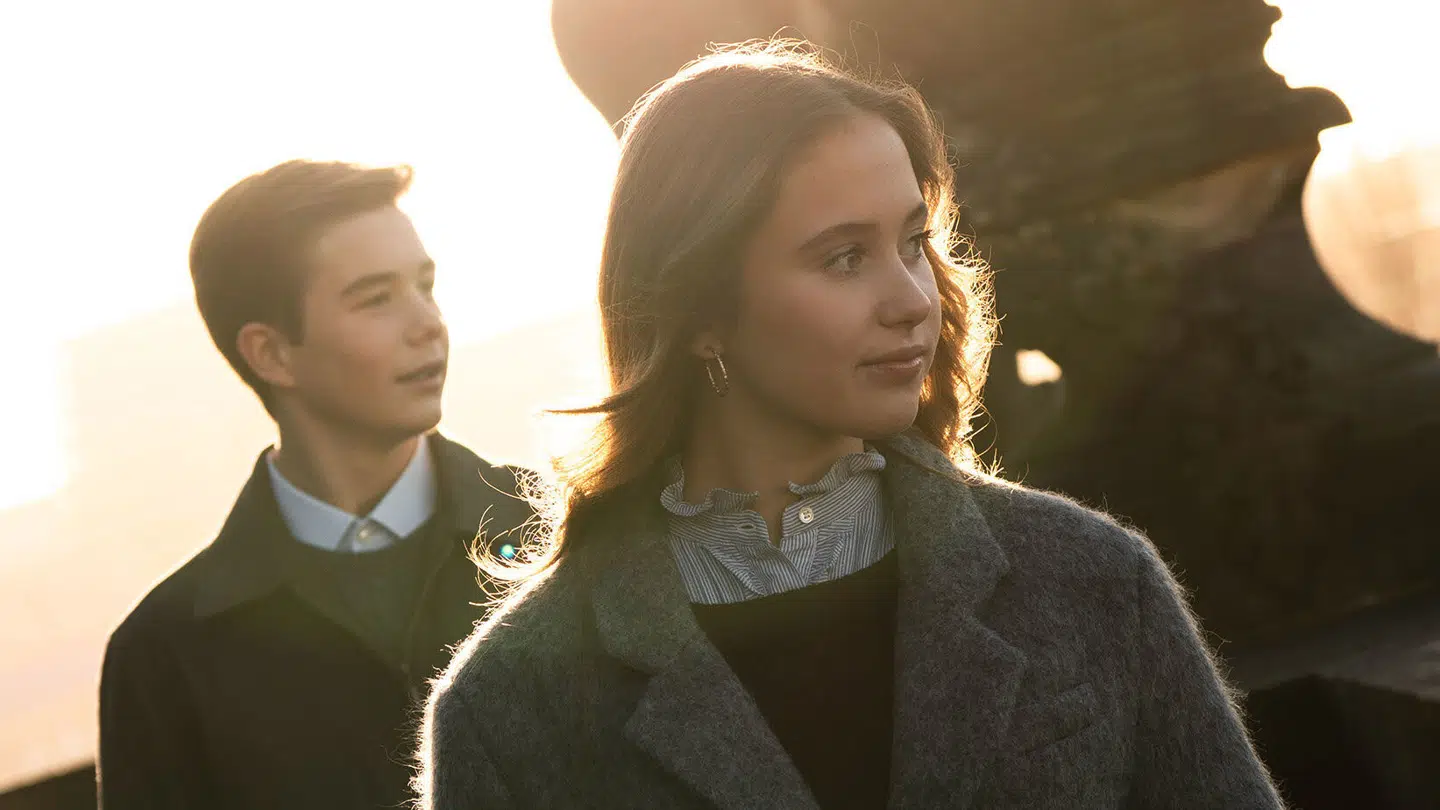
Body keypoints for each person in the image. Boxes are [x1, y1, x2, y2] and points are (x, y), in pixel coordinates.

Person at [416, 41, 1283, 809]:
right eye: (843, 258)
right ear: (700, 310)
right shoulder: (506, 708)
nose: (911, 302)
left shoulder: (1093, 581)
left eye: (912, 241)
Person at [98, 160, 532, 810]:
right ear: (271, 353)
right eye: (376, 298)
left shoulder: (563, 530)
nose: (428, 324)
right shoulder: (164, 658)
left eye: (425, 284)